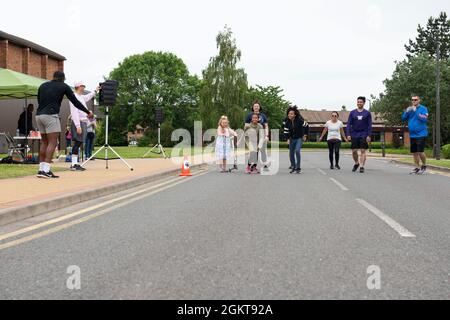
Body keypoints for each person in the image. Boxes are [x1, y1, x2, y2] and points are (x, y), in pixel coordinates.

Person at [35, 71, 93, 179]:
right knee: (53, 142)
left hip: (39, 116)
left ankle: (41, 169)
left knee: (44, 142)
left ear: (53, 77)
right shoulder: (64, 86)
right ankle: (46, 170)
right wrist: (87, 112)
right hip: (51, 115)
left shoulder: (43, 85)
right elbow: (75, 102)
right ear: (63, 78)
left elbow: (39, 100)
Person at [69, 81, 98, 171]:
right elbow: (74, 113)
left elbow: (89, 96)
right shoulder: (74, 97)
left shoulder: (81, 97)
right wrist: (78, 126)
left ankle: (75, 164)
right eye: (82, 86)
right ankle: (74, 164)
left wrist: (96, 90)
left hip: (83, 122)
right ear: (78, 87)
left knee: (79, 142)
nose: (84, 88)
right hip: (79, 122)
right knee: (77, 142)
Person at [402, 95, 429, 175]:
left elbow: (424, 119)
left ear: (419, 100)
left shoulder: (423, 109)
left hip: (421, 133)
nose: (414, 101)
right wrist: (406, 111)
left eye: (415, 100)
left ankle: (424, 165)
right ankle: (417, 167)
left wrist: (415, 111)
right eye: (412, 100)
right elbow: (403, 118)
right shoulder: (410, 109)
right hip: (412, 134)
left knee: (420, 151)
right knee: (414, 152)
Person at [346, 97, 373, 174]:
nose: (359, 103)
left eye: (361, 102)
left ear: (364, 103)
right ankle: (356, 163)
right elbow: (348, 124)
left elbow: (369, 125)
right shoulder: (352, 113)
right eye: (358, 102)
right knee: (354, 151)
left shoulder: (367, 113)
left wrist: (369, 135)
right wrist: (348, 134)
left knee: (363, 150)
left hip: (364, 133)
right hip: (354, 133)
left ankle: (361, 166)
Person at [283, 106, 309, 174]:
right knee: (291, 153)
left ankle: (298, 167)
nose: (290, 115)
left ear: (295, 114)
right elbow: (286, 132)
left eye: (291, 114)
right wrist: (287, 139)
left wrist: (305, 135)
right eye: (289, 113)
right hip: (292, 139)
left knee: (297, 151)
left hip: (299, 138)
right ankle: (293, 166)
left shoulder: (300, 120)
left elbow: (307, 126)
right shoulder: (287, 122)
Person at [245, 100, 270, 170]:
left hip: (261, 136)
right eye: (255, 106)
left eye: (257, 106)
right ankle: (249, 166)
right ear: (253, 107)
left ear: (259, 107)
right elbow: (246, 126)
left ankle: (256, 166)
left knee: (262, 150)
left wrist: (266, 136)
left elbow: (266, 126)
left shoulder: (263, 116)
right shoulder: (249, 115)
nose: (256, 107)